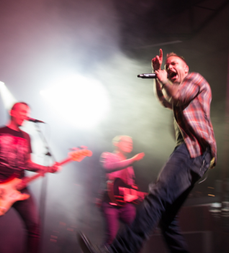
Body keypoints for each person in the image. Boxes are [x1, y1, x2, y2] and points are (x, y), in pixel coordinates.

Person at [79, 49, 217, 253]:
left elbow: (176, 95)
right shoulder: (178, 89)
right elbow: (165, 100)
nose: (170, 67)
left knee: (157, 197)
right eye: (167, 65)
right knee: (167, 220)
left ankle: (118, 251)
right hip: (194, 154)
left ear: (185, 68)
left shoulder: (195, 79)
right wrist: (157, 76)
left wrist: (162, 79)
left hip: (193, 149)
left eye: (174, 63)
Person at [0, 102, 61, 253]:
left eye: (27, 112)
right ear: (12, 112)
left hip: (20, 188)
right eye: (22, 111)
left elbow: (27, 163)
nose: (26, 115)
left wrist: (48, 168)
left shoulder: (27, 137)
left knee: (34, 227)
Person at [99, 135, 144, 246]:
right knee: (112, 237)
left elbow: (130, 187)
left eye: (131, 142)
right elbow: (108, 167)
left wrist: (137, 195)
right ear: (116, 143)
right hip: (110, 203)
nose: (130, 144)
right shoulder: (108, 155)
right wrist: (132, 160)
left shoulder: (130, 166)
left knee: (136, 232)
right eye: (126, 142)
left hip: (125, 205)